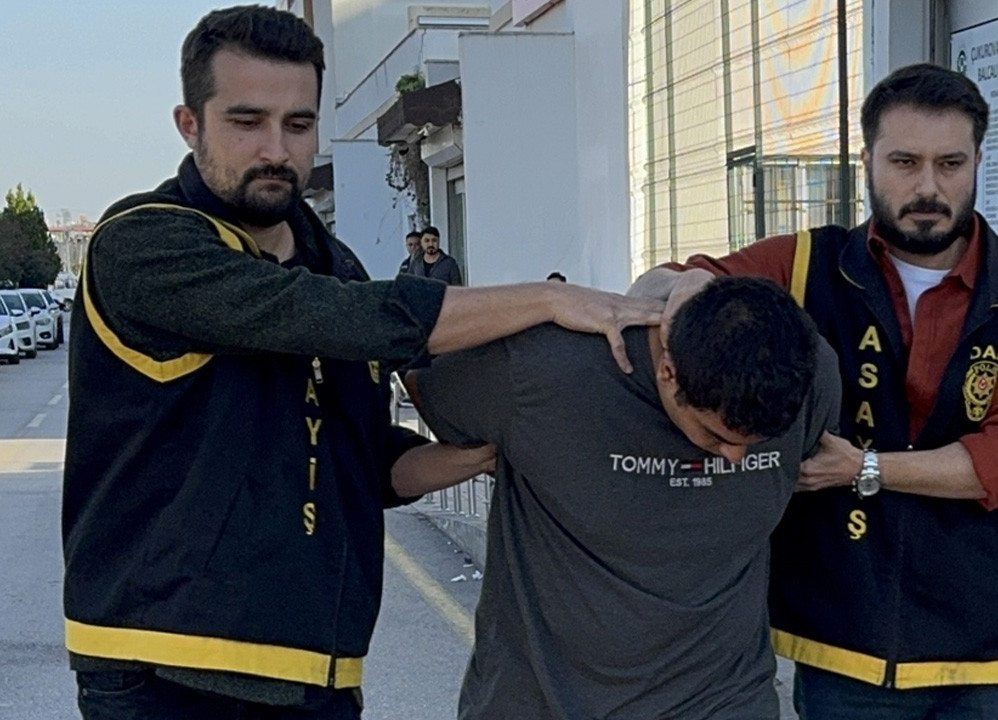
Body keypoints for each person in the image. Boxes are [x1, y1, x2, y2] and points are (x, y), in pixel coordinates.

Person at [61, 7, 660, 719]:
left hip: (319, 671)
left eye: (298, 124)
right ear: (190, 125)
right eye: (247, 122)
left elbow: (363, 461)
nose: (276, 149)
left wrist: (487, 450)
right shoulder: (144, 244)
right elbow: (319, 316)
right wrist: (549, 299)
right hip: (166, 670)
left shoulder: (335, 264)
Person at [630, 63, 998, 719]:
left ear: (978, 163)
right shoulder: (806, 263)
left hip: (988, 649)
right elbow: (668, 282)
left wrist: (864, 468)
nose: (928, 187)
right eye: (905, 162)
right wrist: (683, 289)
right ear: (867, 162)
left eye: (950, 164)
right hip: (845, 645)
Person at [406, 277, 841, 720]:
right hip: (541, 702)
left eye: (756, 444)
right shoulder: (543, 368)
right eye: (717, 436)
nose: (735, 458)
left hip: (724, 700)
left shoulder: (808, 371)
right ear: (668, 373)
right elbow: (423, 386)